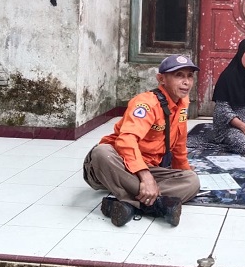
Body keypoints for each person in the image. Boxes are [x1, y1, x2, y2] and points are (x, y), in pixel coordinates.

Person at [83, 54, 201, 227]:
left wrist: (182, 170)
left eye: (190, 76)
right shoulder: (146, 104)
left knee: (192, 181)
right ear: (161, 79)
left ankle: (129, 205)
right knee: (102, 152)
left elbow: (179, 143)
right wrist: (145, 178)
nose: (186, 82)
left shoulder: (183, 102)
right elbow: (126, 140)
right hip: (115, 165)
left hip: (149, 167)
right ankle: (159, 205)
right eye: (179, 75)